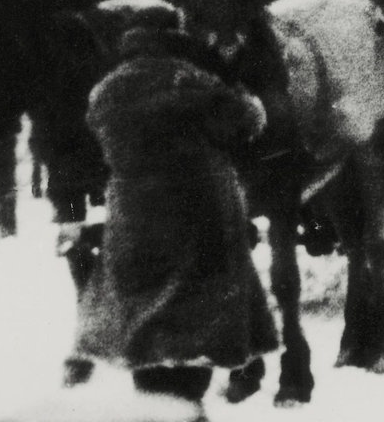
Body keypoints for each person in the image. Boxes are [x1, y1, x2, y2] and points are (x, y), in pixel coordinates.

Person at [75, 25, 277, 415]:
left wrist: (70, 213)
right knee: (198, 315)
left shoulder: (104, 91)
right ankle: (189, 406)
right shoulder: (188, 79)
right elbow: (245, 123)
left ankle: (158, 403)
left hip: (133, 214)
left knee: (145, 313)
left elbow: (87, 153)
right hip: (199, 209)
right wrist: (248, 99)